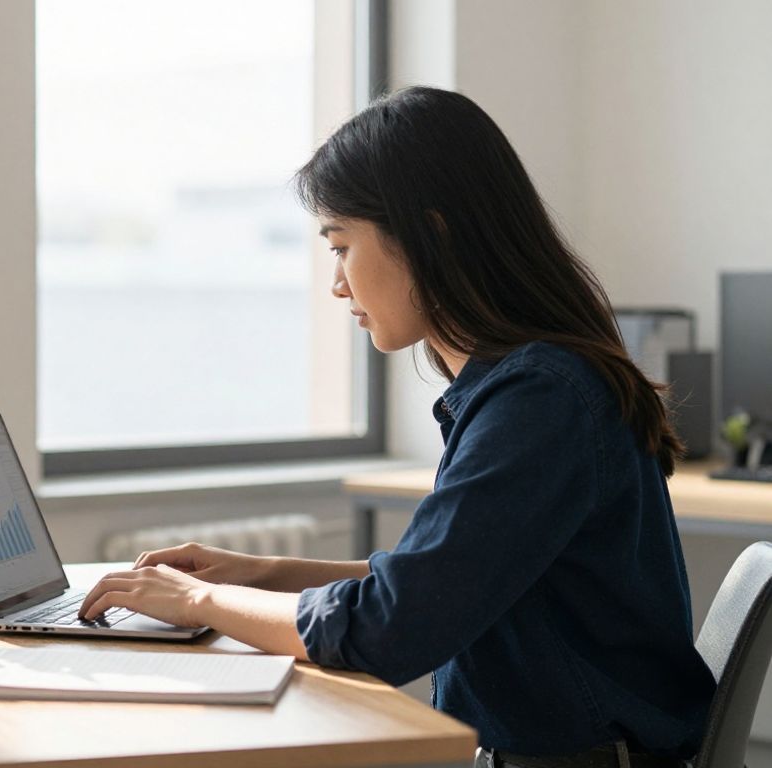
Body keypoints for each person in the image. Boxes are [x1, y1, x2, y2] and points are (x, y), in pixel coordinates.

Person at [77, 86, 715, 767]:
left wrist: (203, 600)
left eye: (342, 245)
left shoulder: (539, 402)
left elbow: (389, 630)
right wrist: (264, 572)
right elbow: (442, 582)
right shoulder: (535, 386)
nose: (338, 284)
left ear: (429, 234)